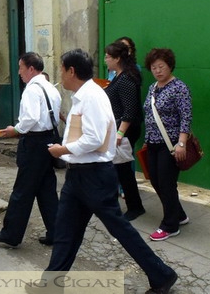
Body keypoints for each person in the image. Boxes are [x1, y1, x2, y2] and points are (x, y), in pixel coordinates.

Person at [28, 49, 177, 294]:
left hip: (94, 176)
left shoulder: (92, 96)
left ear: (71, 71)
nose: (60, 76)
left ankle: (162, 275)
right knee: (66, 232)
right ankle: (50, 285)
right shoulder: (83, 95)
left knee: (120, 229)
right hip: (78, 175)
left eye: (62, 70)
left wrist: (63, 149)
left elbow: (94, 139)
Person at [0, 52, 60, 247]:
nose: (19, 72)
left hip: (34, 142)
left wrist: (16, 129)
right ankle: (56, 232)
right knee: (46, 190)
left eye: (20, 68)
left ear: (31, 68)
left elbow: (31, 118)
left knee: (22, 190)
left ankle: (11, 234)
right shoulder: (50, 88)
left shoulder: (31, 89)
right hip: (48, 140)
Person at [143, 48, 191, 241]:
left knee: (166, 183)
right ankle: (179, 214)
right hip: (152, 142)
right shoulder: (153, 88)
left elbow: (185, 117)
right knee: (155, 180)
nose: (157, 70)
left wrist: (181, 143)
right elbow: (149, 113)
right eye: (154, 67)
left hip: (170, 144)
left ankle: (170, 225)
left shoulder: (179, 87)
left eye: (161, 66)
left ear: (170, 65)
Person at [104, 41, 146, 221]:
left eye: (108, 57)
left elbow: (130, 110)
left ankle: (135, 207)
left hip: (125, 130)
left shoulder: (126, 79)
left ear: (117, 59)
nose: (105, 60)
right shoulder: (119, 76)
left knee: (123, 170)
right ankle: (123, 203)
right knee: (118, 168)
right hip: (119, 128)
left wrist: (120, 134)